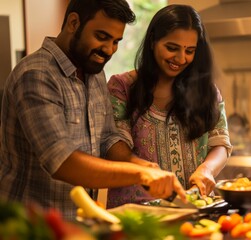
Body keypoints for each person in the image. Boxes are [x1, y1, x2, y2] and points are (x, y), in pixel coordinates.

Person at [0, 0, 186, 220]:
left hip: (79, 221)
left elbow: (107, 138)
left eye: (116, 41)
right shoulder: (37, 75)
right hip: (30, 224)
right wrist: (139, 174)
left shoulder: (94, 73)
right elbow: (62, 161)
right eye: (101, 37)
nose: (109, 50)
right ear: (73, 22)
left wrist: (139, 163)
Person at [107, 4, 232, 208]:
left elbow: (220, 143)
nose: (181, 59)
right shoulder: (122, 87)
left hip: (192, 211)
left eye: (189, 51)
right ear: (153, 41)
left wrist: (207, 170)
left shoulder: (206, 91)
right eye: (172, 48)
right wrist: (145, 170)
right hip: (135, 215)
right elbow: (114, 147)